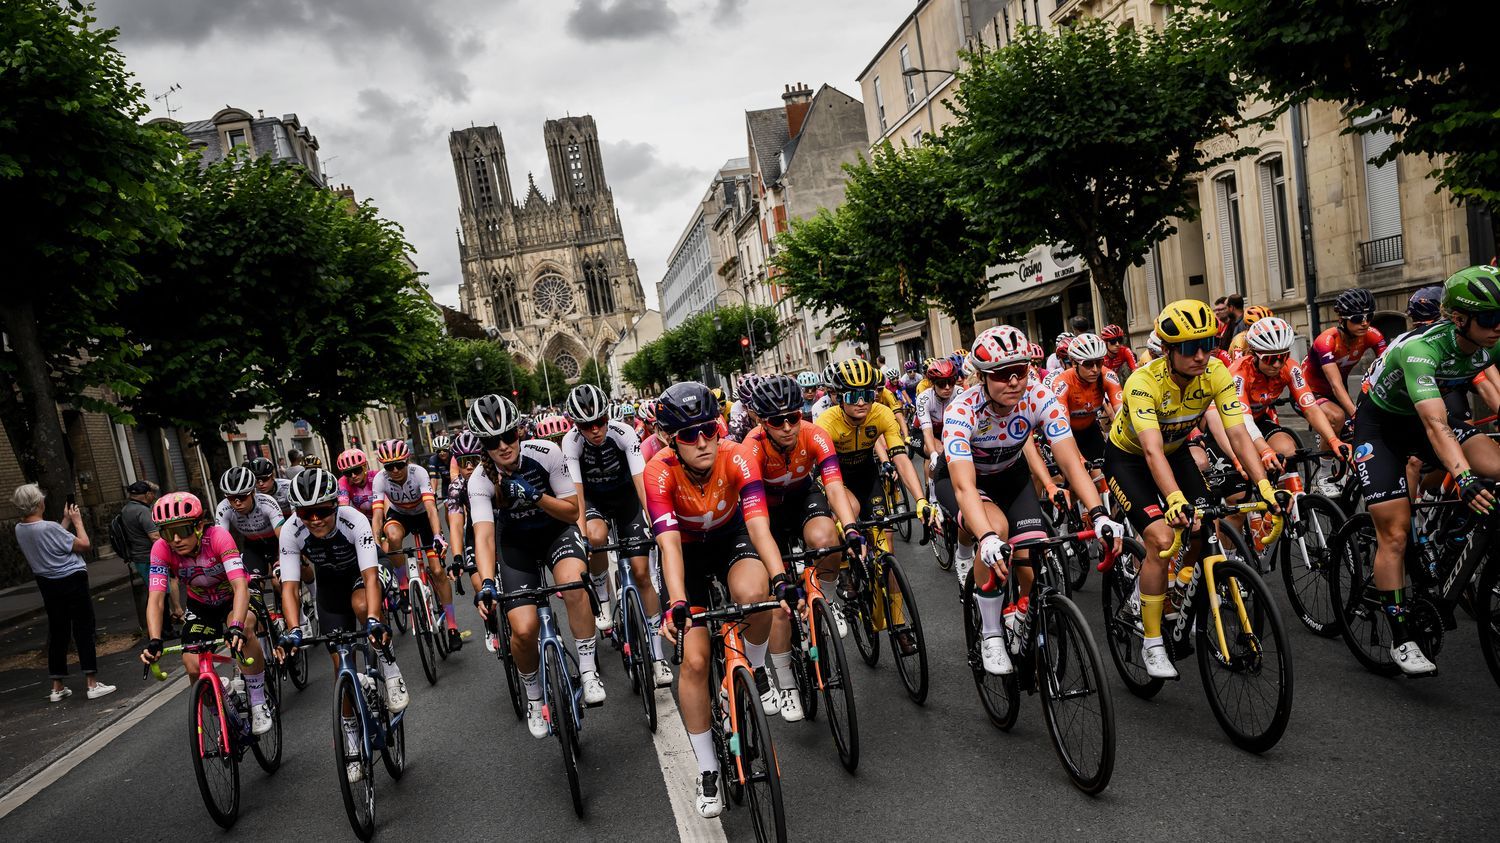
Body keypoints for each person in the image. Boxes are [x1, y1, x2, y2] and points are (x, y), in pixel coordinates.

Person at [648, 381, 802, 818]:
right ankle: (708, 768)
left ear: (720, 427)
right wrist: (677, 601)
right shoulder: (658, 473)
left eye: (709, 429)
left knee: (760, 596)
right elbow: (670, 548)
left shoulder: (738, 456)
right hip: (688, 557)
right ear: (669, 440)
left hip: (731, 538)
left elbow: (758, 528)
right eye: (688, 435)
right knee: (695, 661)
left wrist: (780, 578)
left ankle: (752, 665)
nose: (702, 441)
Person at [1105, 300, 1279, 679]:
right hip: (1130, 459)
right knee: (1161, 538)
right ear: (1168, 351)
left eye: (1208, 344)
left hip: (1177, 450)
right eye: (1188, 348)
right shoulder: (1143, 383)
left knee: (1205, 527)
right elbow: (1151, 451)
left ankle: (1181, 587)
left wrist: (1264, 486)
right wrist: (1174, 500)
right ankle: (1152, 641)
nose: (1201, 356)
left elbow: (1237, 432)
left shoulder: (1215, 371)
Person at [1354, 266, 1500, 674]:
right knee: (1396, 533)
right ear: (1459, 318)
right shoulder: (1421, 349)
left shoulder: (1489, 342)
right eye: (1490, 319)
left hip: (1423, 420)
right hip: (1381, 427)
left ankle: (1455, 541)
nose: (1497, 327)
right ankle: (1402, 638)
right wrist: (1465, 480)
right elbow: (1437, 426)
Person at [466, 393, 603, 731]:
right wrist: (485, 582)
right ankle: (534, 697)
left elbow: (572, 511)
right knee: (524, 629)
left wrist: (536, 496)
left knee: (573, 586)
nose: (502, 446)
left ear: (519, 432)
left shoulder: (547, 453)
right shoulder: (480, 481)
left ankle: (588, 671)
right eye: (491, 441)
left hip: (556, 534)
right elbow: (484, 536)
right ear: (483, 445)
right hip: (517, 548)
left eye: (507, 436)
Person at [742, 374, 864, 717]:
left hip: (801, 498)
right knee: (777, 603)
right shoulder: (750, 449)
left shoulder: (815, 434)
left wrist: (850, 529)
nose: (787, 427)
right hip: (765, 512)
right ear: (762, 422)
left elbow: (835, 488)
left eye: (793, 417)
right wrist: (778, 575)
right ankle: (787, 684)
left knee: (828, 540)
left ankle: (825, 595)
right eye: (776, 421)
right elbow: (754, 522)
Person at [275, 469, 408, 781]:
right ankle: (350, 743)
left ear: (334, 505)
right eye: (307, 513)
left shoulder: (353, 520)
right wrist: (294, 630)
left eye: (322, 511)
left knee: (362, 606)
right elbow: (290, 588)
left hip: (366, 573)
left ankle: (389, 669)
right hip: (330, 587)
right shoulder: (291, 532)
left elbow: (371, 576)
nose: (316, 519)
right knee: (341, 668)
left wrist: (375, 621)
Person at [561, 384, 673, 687]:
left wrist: (654, 521)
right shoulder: (570, 443)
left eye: (601, 421)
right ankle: (603, 598)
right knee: (596, 537)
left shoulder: (623, 433)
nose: (596, 430)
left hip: (626, 501)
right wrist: (581, 535)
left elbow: (640, 481)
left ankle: (657, 656)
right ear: (576, 425)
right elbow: (578, 495)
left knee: (641, 573)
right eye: (587, 425)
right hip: (595, 502)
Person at [139, 492, 272, 734]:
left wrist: (237, 627)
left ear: (199, 525)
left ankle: (257, 701)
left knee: (244, 626)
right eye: (168, 533)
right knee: (192, 664)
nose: (176, 539)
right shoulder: (160, 549)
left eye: (182, 530)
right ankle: (224, 714)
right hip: (201, 604)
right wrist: (155, 640)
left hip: (234, 597)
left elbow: (240, 585)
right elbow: (156, 599)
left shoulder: (218, 537)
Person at [13, 484, 116, 702]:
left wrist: (65, 520)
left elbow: (52, 541)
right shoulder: (48, 527)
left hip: (47, 583)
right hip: (72, 579)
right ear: (39, 502)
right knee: (83, 628)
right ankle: (92, 683)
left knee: (58, 631)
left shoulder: (20, 529)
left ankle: (57, 687)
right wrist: (77, 521)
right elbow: (84, 544)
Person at [371, 439, 455, 648]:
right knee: (391, 536)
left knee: (437, 571)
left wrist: (437, 535)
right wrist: (374, 544)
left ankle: (452, 625)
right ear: (384, 467)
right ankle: (403, 587)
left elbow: (431, 508)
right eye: (390, 466)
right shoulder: (381, 480)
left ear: (407, 461)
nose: (396, 470)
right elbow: (378, 515)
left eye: (400, 464)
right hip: (400, 516)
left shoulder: (419, 473)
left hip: (424, 518)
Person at [1304, 288, 1387, 432]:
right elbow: (1336, 384)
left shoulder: (1372, 335)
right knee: (1337, 417)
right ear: (1341, 320)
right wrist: (1355, 414)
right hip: (1309, 391)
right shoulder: (1326, 341)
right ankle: (1326, 455)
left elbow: (1388, 366)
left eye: (1369, 317)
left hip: (1337, 391)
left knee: (1356, 430)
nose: (1365, 323)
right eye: (1357, 319)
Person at [1047, 332, 1123, 464]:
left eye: (1099, 363)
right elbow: (1064, 428)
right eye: (1088, 364)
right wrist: (1079, 458)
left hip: (1090, 430)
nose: (1095, 370)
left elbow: (1121, 413)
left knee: (1106, 469)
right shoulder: (1062, 383)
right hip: (1065, 434)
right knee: (1071, 475)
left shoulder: (1107, 376)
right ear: (1074, 363)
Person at [117, 480, 175, 634]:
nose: (153, 497)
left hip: (139, 557)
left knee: (155, 593)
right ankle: (165, 630)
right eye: (152, 494)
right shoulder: (142, 511)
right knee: (161, 594)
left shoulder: (126, 510)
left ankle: (160, 629)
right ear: (147, 494)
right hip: (150, 557)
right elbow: (155, 536)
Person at [336, 448, 377, 519]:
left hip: (383, 514)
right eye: (347, 473)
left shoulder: (376, 476)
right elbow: (343, 507)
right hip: (363, 519)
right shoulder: (343, 481)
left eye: (357, 470)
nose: (353, 476)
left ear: (365, 467)